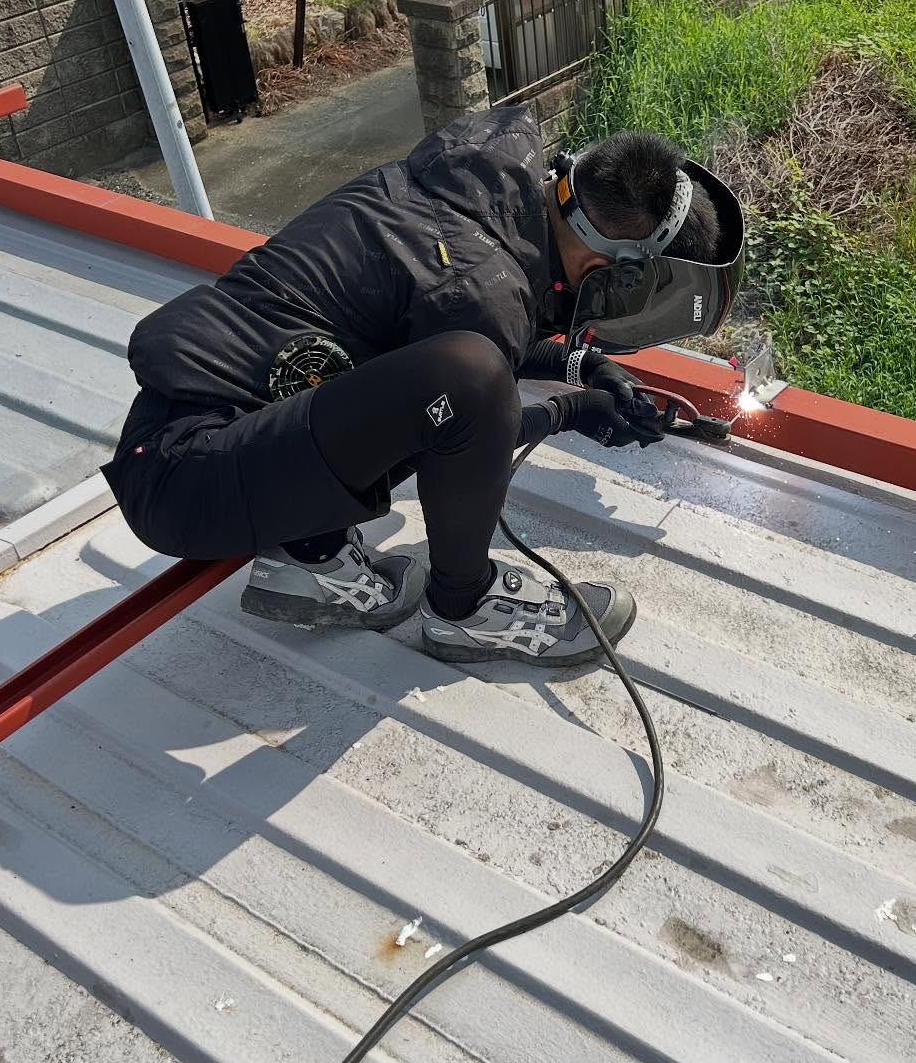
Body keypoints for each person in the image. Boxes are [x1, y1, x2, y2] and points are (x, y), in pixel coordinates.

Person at [102, 110, 743, 669]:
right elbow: (469, 423)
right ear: (612, 272)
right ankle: (466, 606)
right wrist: (569, 410)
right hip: (189, 483)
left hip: (204, 427)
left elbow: (457, 335)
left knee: (449, 372)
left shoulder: (489, 184)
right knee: (468, 380)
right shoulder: (481, 286)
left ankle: (313, 554)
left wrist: (585, 368)